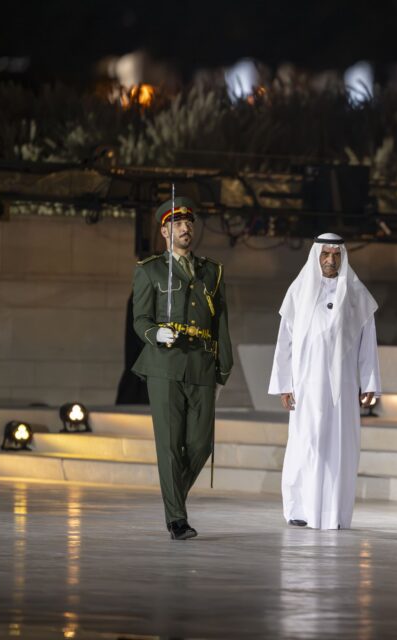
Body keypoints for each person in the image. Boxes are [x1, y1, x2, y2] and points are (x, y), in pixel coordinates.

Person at [132, 197, 233, 540]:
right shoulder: (150, 270)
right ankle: (177, 519)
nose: (186, 228)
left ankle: (173, 498)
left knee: (201, 444)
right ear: (164, 230)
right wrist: (154, 333)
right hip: (164, 365)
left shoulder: (212, 270)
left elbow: (222, 322)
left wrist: (224, 368)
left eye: (189, 223)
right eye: (177, 224)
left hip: (202, 364)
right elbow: (140, 319)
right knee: (171, 445)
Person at [268, 233, 381, 530]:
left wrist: (369, 382)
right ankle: (300, 509)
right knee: (306, 443)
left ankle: (334, 513)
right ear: (316, 256)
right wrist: (284, 383)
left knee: (341, 446)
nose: (330, 260)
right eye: (325, 255)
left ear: (343, 258)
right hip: (306, 385)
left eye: (336, 255)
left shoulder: (356, 294)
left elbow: (367, 342)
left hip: (342, 388)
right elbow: (285, 342)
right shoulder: (299, 291)